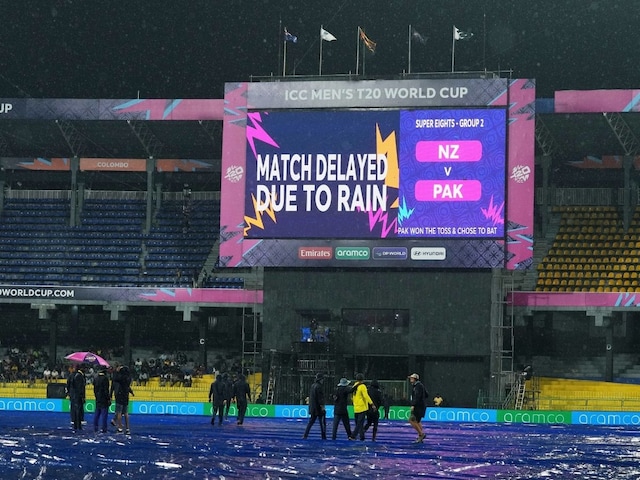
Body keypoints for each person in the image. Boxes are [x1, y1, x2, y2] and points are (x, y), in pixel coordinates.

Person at [350, 373, 375, 441]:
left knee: (359, 424)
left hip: (356, 407)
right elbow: (366, 396)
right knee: (359, 424)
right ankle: (353, 436)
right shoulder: (362, 386)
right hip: (362, 407)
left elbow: (352, 397)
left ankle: (362, 436)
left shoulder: (354, 385)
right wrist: (371, 403)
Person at [111, 365, 134, 434]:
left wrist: (117, 371)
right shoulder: (129, 378)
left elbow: (115, 379)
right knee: (126, 413)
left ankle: (120, 428)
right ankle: (127, 428)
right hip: (126, 396)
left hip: (120, 395)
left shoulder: (121, 378)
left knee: (119, 412)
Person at [303, 372, 326, 439]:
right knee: (322, 423)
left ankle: (305, 435)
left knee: (311, 422)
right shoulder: (319, 387)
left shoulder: (313, 386)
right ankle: (323, 436)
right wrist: (322, 407)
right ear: (321, 379)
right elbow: (320, 398)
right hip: (318, 408)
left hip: (313, 407)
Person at [408, 373, 428, 443]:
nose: (410, 379)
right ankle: (420, 436)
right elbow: (426, 394)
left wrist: (413, 404)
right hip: (421, 406)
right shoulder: (420, 385)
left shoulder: (417, 386)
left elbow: (417, 396)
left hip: (418, 406)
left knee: (411, 420)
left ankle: (421, 434)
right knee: (417, 421)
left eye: (411, 378)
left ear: (415, 379)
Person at [67, 364, 86, 432]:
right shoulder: (79, 376)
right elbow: (81, 387)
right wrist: (83, 396)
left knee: (74, 408)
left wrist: (69, 393)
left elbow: (68, 385)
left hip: (73, 394)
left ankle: (74, 422)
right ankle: (78, 424)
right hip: (78, 395)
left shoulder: (71, 375)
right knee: (78, 409)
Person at [93, 366, 111, 433]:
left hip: (98, 397)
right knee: (104, 415)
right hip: (104, 398)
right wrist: (108, 398)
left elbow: (94, 389)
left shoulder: (96, 378)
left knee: (97, 414)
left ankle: (95, 427)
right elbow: (106, 390)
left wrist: (96, 396)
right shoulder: (105, 379)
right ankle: (104, 428)